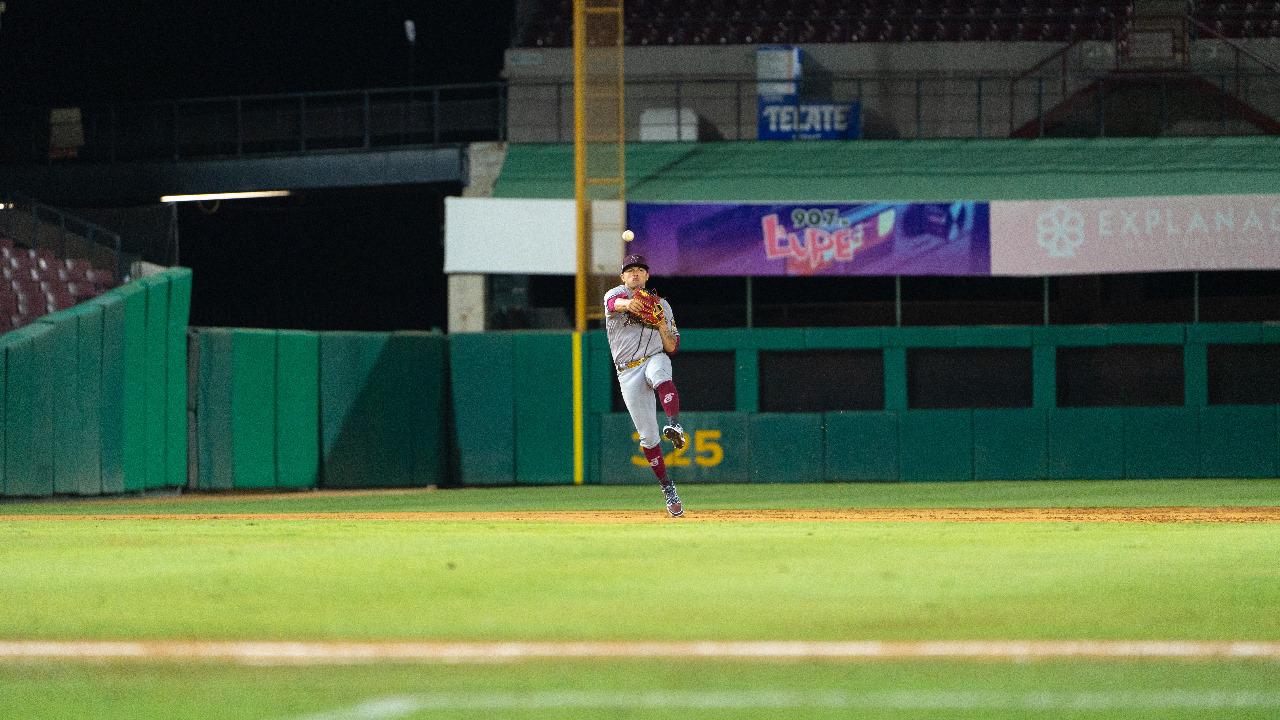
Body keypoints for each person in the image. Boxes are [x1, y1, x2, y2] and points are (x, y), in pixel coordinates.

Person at [604, 253, 686, 517]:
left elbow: (672, 347)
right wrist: (630, 304)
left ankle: (674, 424)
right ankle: (667, 487)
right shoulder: (614, 294)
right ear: (623, 277)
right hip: (627, 371)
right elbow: (614, 304)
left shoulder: (663, 305)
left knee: (660, 374)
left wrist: (660, 322)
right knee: (648, 438)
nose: (635, 273)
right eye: (630, 270)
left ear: (647, 275)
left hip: (653, 357)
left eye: (640, 269)